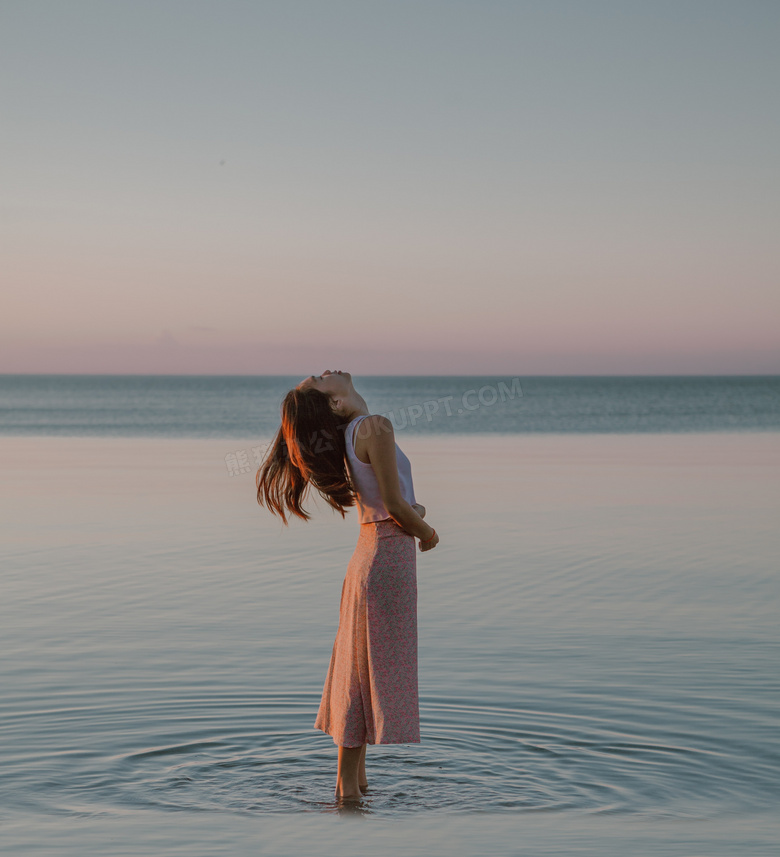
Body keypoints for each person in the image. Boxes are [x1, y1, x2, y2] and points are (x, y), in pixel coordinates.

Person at [255, 369, 439, 801]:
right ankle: (348, 791)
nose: (320, 372)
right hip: (388, 555)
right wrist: (428, 534)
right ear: (335, 403)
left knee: (358, 669)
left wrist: (414, 510)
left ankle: (353, 789)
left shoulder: (355, 432)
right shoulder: (373, 427)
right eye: (316, 382)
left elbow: (387, 501)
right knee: (366, 669)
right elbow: (393, 505)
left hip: (368, 553)